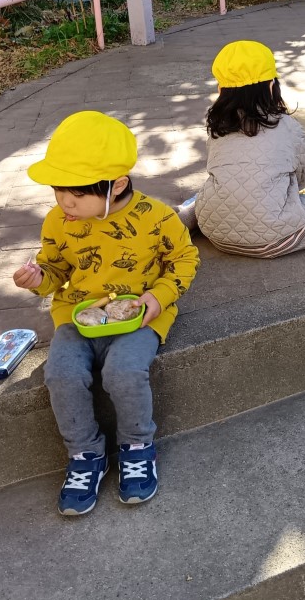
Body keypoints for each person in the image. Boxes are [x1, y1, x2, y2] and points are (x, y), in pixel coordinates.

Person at [13, 111, 199, 516]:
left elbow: (185, 259)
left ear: (116, 185)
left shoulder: (158, 218)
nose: (66, 201)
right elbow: (56, 271)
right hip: (77, 316)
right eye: (58, 190)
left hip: (139, 315)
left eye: (77, 193)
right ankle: (85, 455)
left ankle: (136, 445)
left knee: (123, 372)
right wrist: (37, 279)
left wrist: (158, 297)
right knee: (61, 373)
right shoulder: (59, 222)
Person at [177, 40, 305, 258]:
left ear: (221, 90)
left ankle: (181, 219)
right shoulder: (287, 125)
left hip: (215, 233)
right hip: (273, 240)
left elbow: (216, 167)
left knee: (212, 195)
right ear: (271, 86)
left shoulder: (217, 126)